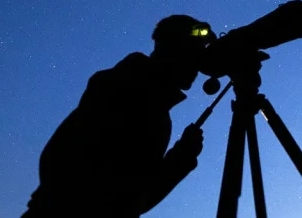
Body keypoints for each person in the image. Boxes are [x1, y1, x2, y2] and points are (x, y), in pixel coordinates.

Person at [22, 14, 215, 217]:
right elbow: (116, 196)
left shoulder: (144, 99)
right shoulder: (129, 91)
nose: (197, 65)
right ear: (173, 47)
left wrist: (181, 159)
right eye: (193, 53)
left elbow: (134, 198)